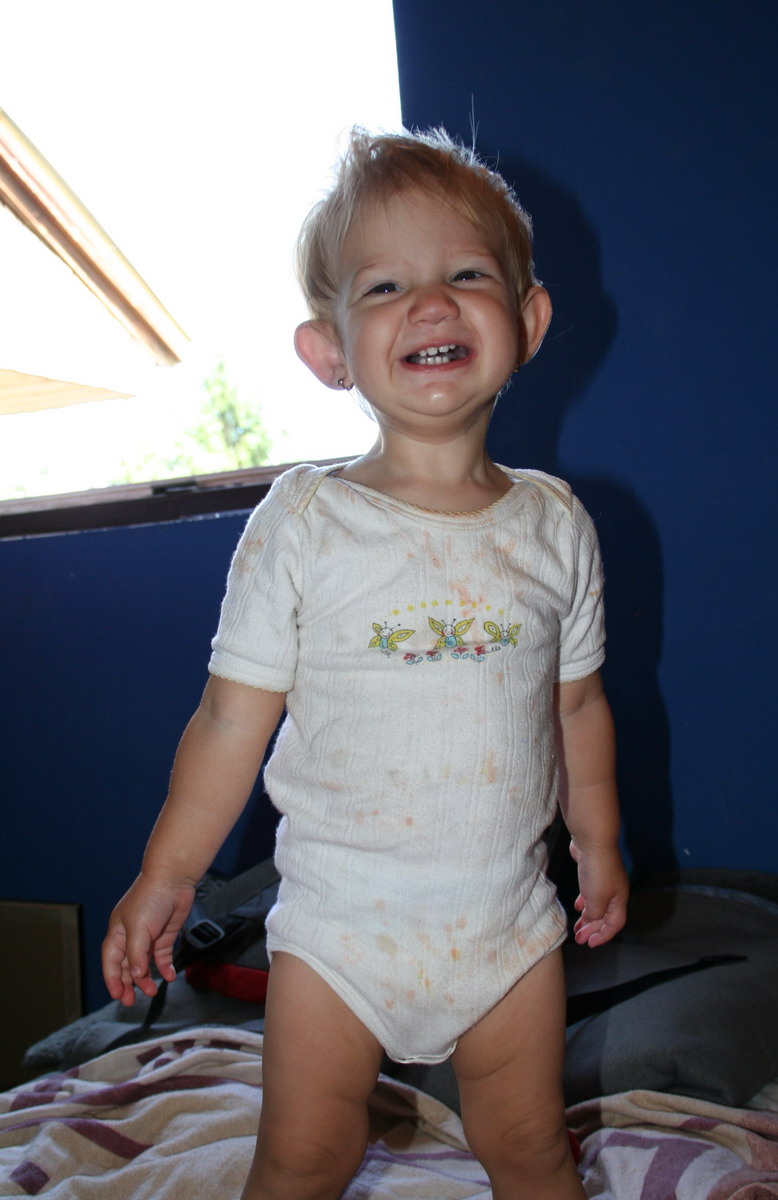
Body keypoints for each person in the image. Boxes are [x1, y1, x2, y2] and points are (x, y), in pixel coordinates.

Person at [102, 127, 629, 1200]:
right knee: (303, 1156)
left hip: (504, 926)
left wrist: (599, 840)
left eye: (466, 275)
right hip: (338, 932)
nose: (430, 303)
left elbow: (576, 709)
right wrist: (168, 873)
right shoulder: (305, 522)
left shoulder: (555, 526)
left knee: (530, 1150)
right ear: (328, 350)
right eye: (386, 286)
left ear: (527, 322)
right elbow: (230, 721)